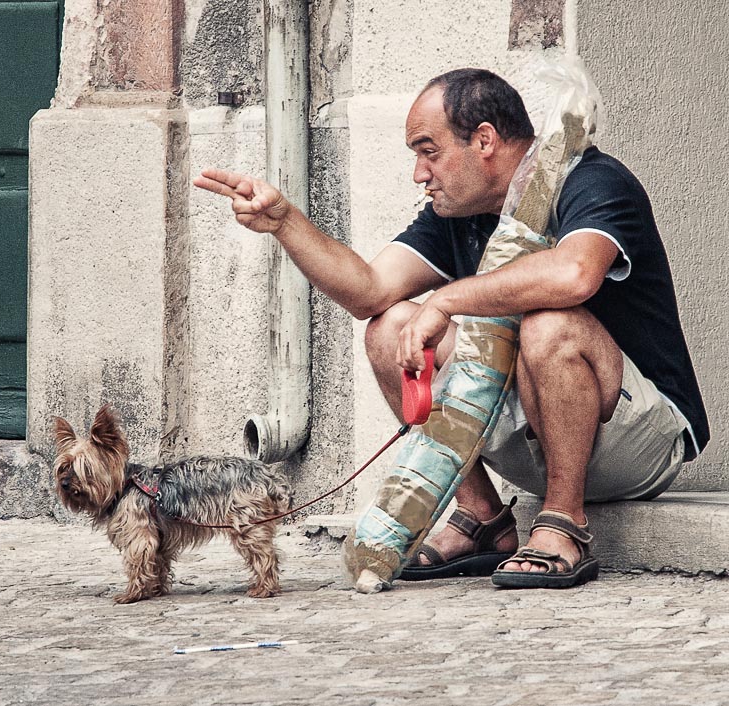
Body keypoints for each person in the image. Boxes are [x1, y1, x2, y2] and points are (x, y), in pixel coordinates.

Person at [193, 68, 709, 588]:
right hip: (537, 430)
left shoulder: (591, 179)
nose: (420, 173)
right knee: (391, 326)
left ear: (484, 139)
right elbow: (369, 289)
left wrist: (447, 299)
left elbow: (574, 274)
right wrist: (286, 222)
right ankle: (481, 518)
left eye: (428, 151)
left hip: (639, 440)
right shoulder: (457, 213)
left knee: (549, 323)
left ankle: (563, 521)